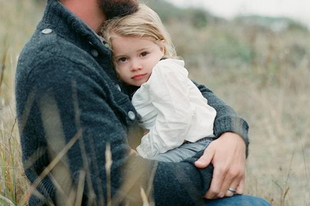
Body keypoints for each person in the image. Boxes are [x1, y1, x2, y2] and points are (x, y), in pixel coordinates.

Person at [15, 0, 271, 205]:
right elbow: (111, 182)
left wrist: (231, 133)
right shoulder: (56, 61)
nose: (134, 64)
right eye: (124, 60)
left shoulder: (97, 36)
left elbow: (194, 92)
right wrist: (213, 169)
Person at [102, 4, 217, 162]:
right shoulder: (137, 85)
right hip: (177, 144)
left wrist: (142, 152)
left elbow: (177, 121)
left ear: (161, 48)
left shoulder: (164, 72)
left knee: (139, 174)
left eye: (143, 54)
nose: (135, 66)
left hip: (195, 146)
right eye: (123, 59)